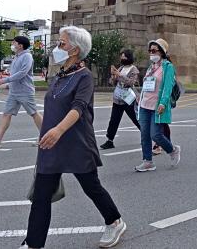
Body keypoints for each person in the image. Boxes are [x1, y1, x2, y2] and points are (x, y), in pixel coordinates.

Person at [23, 25, 126, 249]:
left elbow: (78, 108)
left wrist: (59, 130)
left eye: (62, 43)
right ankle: (33, 244)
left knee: (91, 186)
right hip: (51, 144)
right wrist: (44, 129)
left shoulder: (84, 77)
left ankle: (115, 221)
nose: (58, 47)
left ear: (75, 50)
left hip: (77, 143)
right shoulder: (60, 76)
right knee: (41, 195)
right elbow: (53, 109)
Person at [0, 36, 43, 149]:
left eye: (14, 42)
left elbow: (22, 73)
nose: (13, 45)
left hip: (25, 91)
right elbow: (14, 74)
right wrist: (7, 84)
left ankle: (44, 136)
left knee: (34, 113)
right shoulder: (17, 56)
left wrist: (4, 81)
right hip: (14, 92)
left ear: (20, 45)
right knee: (6, 113)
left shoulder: (27, 56)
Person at [134, 39, 181, 172]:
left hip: (157, 106)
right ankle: (148, 161)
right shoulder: (151, 67)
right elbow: (148, 85)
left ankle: (173, 150)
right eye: (149, 51)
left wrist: (163, 103)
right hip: (144, 105)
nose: (151, 53)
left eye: (154, 51)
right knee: (144, 134)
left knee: (156, 135)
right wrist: (140, 97)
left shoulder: (168, 67)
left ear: (161, 52)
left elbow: (168, 87)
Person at [100, 49, 141, 150]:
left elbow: (131, 82)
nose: (122, 59)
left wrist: (120, 75)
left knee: (135, 118)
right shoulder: (121, 68)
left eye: (124, 57)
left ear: (129, 58)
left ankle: (145, 134)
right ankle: (110, 140)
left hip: (128, 97)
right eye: (121, 57)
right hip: (118, 98)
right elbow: (112, 82)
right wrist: (113, 76)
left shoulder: (134, 70)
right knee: (114, 119)